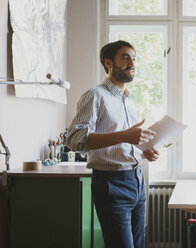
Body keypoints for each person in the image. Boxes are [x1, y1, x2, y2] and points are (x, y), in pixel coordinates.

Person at [66, 40, 159, 248]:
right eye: (125, 57)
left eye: (134, 58)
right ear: (109, 63)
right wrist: (124, 136)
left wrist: (144, 152)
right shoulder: (95, 95)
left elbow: (124, 141)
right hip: (111, 182)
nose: (132, 63)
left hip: (137, 179)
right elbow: (74, 139)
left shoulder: (128, 100)